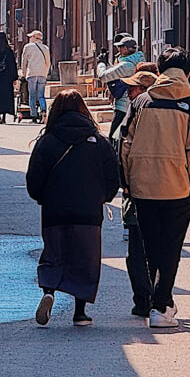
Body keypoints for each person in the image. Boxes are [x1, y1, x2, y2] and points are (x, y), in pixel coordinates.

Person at [119, 46, 190, 329]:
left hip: (143, 187)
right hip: (178, 187)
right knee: (171, 248)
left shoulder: (141, 101)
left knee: (149, 246)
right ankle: (161, 305)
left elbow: (124, 144)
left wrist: (127, 182)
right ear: (188, 72)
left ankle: (159, 301)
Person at [26, 90, 120, 327]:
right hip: (88, 212)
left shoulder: (46, 142)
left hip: (54, 210)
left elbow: (34, 179)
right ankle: (80, 312)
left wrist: (42, 198)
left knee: (54, 253)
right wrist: (102, 197)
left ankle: (49, 291)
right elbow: (113, 177)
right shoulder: (98, 142)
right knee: (85, 260)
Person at [114, 64, 158, 318]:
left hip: (138, 190)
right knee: (158, 249)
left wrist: (124, 184)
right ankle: (159, 297)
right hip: (167, 192)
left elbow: (122, 149)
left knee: (137, 252)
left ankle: (143, 300)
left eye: (133, 88)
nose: (128, 93)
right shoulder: (171, 114)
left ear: (144, 90)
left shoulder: (134, 112)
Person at [97, 34, 144, 138]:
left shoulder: (126, 65)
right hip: (132, 104)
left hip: (123, 106)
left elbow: (103, 76)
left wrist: (101, 63)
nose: (118, 50)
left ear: (125, 49)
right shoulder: (137, 61)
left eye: (120, 47)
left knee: (114, 137)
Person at [20, 30, 51, 122]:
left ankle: (34, 116)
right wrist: (45, 73)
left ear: (34, 38)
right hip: (42, 73)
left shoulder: (28, 47)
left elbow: (24, 61)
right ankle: (43, 110)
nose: (29, 38)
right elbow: (48, 62)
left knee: (32, 95)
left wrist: (24, 73)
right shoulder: (45, 48)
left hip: (32, 73)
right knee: (41, 95)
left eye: (31, 37)